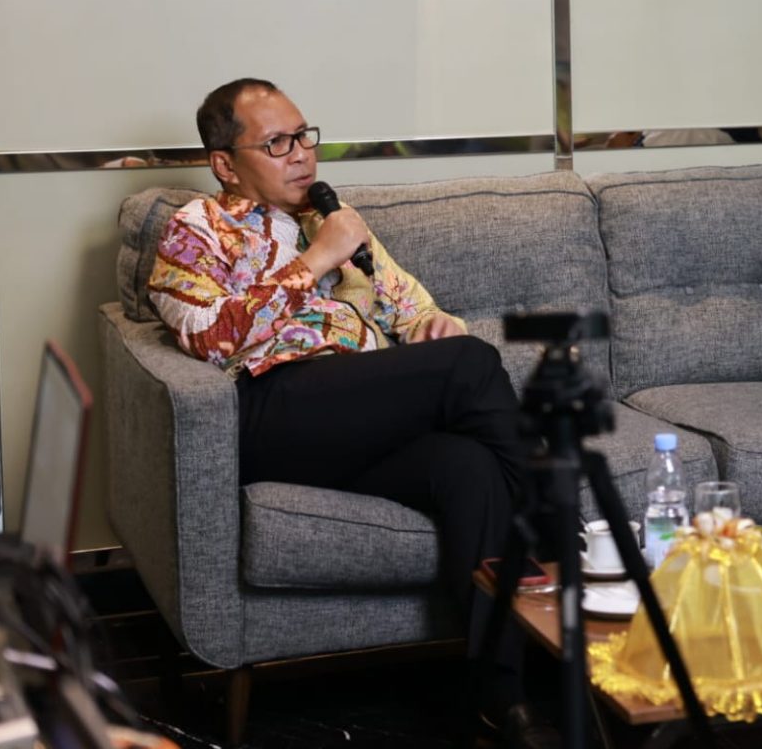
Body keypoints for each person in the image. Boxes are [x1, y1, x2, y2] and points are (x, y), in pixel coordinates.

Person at [146, 79, 547, 747]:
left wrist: (429, 326)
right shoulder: (194, 230)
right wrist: (315, 260)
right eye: (278, 143)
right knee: (471, 365)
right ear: (225, 164)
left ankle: (501, 701)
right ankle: (559, 526)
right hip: (270, 410)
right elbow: (209, 337)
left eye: (304, 136)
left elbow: (408, 304)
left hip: (354, 418)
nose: (302, 154)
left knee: (468, 467)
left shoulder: (332, 218)